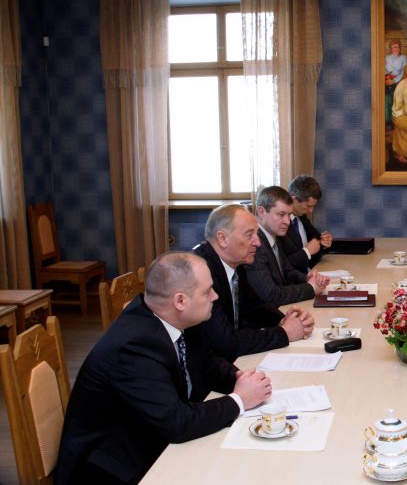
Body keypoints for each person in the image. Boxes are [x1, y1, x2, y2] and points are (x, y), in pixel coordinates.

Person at [55, 252, 273, 484]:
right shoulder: (135, 346)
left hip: (153, 438)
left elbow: (207, 362)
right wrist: (239, 400)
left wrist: (238, 377)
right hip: (115, 468)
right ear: (180, 301)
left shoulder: (177, 318)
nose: (215, 296)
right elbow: (177, 423)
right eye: (207, 291)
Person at [193, 204, 314, 358]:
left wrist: (282, 320)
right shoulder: (201, 274)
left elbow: (253, 306)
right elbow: (226, 342)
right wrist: (284, 333)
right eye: (249, 234)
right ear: (222, 239)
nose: (258, 242)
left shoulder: (235, 263)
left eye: (256, 234)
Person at [246, 186, 330, 307]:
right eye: (281, 214)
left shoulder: (273, 235)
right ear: (261, 212)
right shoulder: (255, 245)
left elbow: (287, 271)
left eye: (289, 215)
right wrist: (311, 288)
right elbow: (271, 295)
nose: (287, 221)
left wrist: (307, 278)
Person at [280, 175, 333, 273]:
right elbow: (281, 266)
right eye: (308, 206)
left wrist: (324, 243)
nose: (311, 211)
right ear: (294, 200)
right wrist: (307, 251)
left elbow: (315, 248)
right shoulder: (279, 225)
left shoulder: (302, 218)